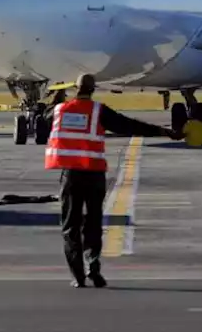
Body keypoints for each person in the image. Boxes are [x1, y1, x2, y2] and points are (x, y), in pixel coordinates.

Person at [47, 73, 183, 288]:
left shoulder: (59, 110)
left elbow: (45, 119)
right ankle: (93, 266)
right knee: (92, 223)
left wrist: (57, 94)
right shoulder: (98, 111)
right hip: (94, 174)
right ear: (93, 89)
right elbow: (129, 125)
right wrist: (164, 131)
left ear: (74, 88)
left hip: (71, 176)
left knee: (70, 227)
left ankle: (78, 276)